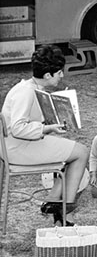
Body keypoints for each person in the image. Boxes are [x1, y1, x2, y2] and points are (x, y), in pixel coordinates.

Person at [1, 45, 89, 225]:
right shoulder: (26, 92)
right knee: (81, 152)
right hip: (16, 147)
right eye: (59, 73)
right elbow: (18, 128)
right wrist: (46, 129)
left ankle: (52, 201)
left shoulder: (29, 86)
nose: (62, 76)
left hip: (17, 144)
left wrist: (50, 124)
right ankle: (66, 212)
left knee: (69, 150)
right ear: (48, 75)